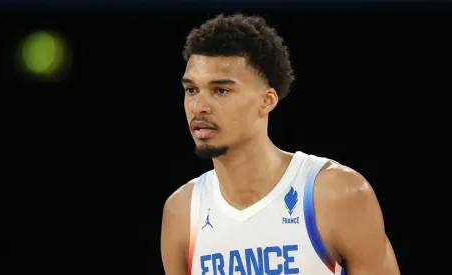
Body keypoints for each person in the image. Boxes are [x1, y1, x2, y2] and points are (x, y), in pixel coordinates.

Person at [161, 13, 400, 275]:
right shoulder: (181, 212)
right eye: (191, 90)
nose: (198, 107)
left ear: (267, 100)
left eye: (220, 90)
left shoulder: (337, 195)